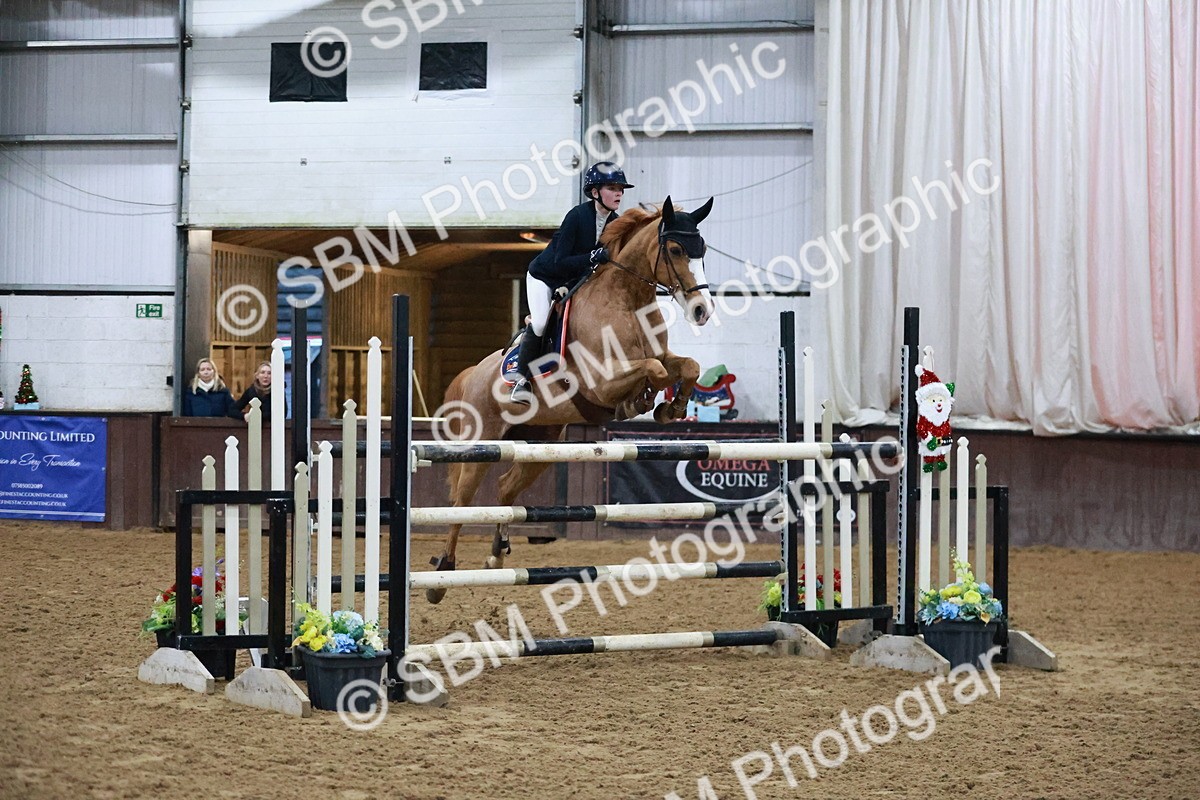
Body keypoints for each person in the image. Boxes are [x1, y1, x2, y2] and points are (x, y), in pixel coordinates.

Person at [509, 161, 635, 404]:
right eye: (612, 187)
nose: (619, 193)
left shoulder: (615, 223)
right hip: (545, 276)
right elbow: (560, 260)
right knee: (540, 322)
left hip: (574, 280)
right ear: (595, 192)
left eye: (621, 188)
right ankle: (520, 380)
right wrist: (590, 257)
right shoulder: (576, 216)